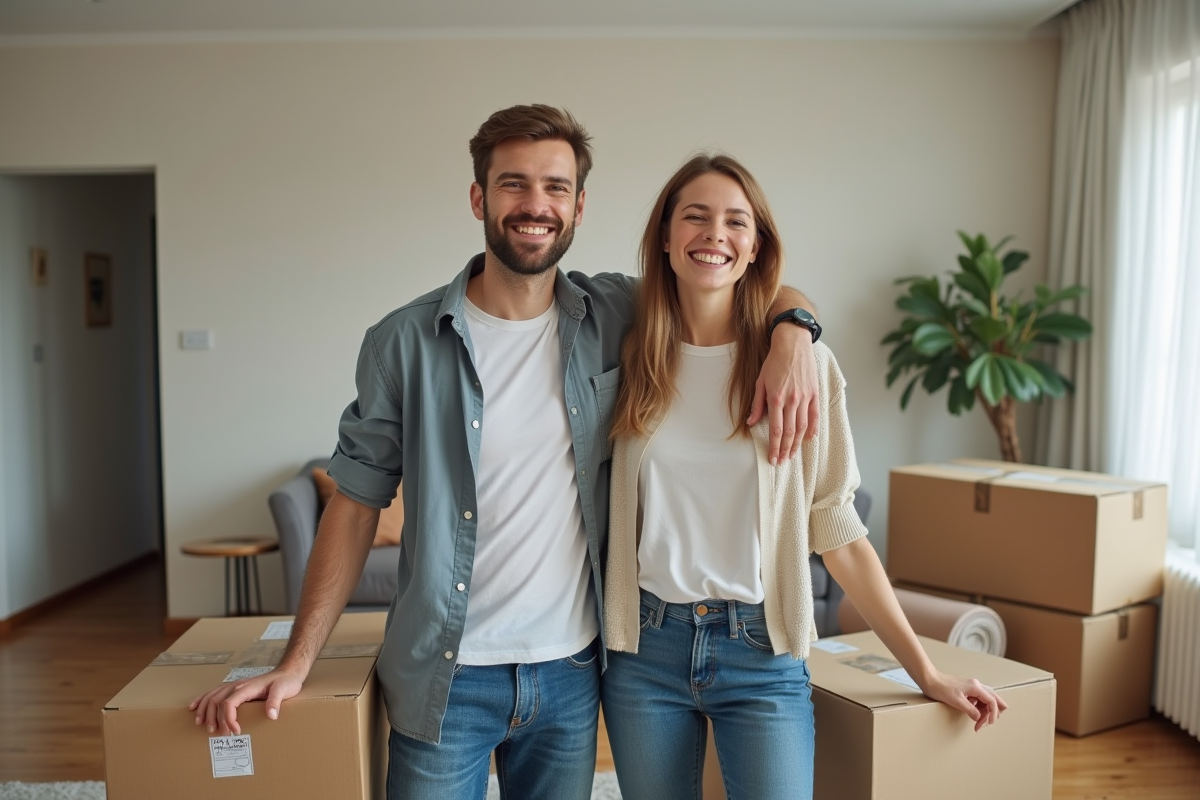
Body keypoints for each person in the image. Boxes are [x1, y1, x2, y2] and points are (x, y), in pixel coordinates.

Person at [189, 106, 825, 800]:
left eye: (556, 187)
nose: (535, 205)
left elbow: (736, 278)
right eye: (513, 184)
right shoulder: (403, 342)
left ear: (578, 207)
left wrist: (794, 328)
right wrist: (297, 661)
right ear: (478, 198)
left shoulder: (615, 313)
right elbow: (355, 504)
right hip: (446, 679)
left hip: (571, 676)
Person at [600, 153, 1008, 800]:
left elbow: (838, 532)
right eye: (696, 217)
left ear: (756, 246)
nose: (714, 234)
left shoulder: (803, 367)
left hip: (760, 649)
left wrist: (926, 672)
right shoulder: (625, 354)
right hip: (644, 652)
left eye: (736, 221)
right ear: (667, 238)